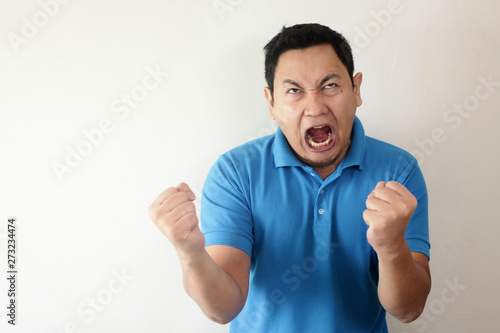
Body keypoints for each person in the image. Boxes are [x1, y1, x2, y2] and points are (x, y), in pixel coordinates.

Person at [149, 23, 431, 332]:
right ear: (271, 102)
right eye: (294, 91)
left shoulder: (398, 171)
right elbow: (223, 309)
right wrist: (190, 253)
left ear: (356, 89)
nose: (315, 106)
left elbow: (409, 310)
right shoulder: (236, 173)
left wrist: (391, 246)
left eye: (330, 86)